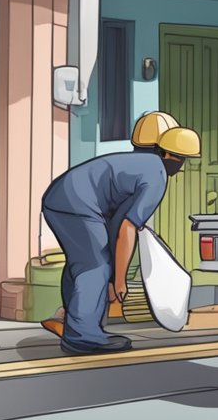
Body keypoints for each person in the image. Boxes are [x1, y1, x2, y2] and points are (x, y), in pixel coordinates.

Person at [39, 127, 201, 354]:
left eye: (182, 159)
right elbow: (127, 229)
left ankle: (72, 319)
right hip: (77, 204)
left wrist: (115, 276)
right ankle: (82, 336)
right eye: (178, 158)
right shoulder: (157, 177)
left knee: (84, 260)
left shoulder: (141, 165)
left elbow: (117, 225)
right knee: (96, 265)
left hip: (59, 198)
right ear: (164, 153)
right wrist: (121, 280)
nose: (179, 163)